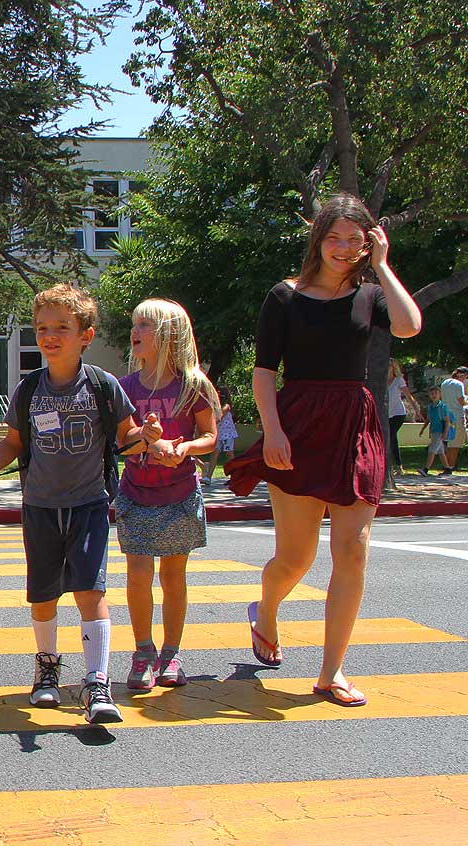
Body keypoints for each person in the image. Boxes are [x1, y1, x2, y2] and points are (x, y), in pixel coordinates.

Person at [227, 193, 421, 707]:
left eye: (355, 240)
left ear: (367, 244)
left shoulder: (371, 295)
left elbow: (409, 326)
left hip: (355, 425)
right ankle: (266, 608)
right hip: (298, 424)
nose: (343, 248)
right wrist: (271, 430)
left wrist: (382, 264)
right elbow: (265, 370)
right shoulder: (285, 296)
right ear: (318, 238)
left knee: (352, 551)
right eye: (334, 237)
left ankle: (331, 671)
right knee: (296, 558)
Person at [0, 284, 150, 723]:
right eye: (42, 327)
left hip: (89, 505)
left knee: (91, 590)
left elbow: (128, 440)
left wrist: (147, 437)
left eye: (62, 327)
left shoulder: (103, 385)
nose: (50, 336)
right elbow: (13, 443)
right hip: (39, 507)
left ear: (86, 335)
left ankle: (97, 683)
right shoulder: (29, 390)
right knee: (43, 596)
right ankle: (47, 670)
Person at [116, 299, 219, 691]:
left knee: (174, 576)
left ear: (169, 334)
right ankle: (143, 651)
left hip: (179, 496)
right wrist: (145, 439)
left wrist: (183, 449)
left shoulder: (194, 384)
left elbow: (209, 437)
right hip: (136, 493)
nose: (135, 331)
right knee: (139, 574)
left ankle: (171, 653)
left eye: (145, 325)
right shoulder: (124, 387)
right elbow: (121, 443)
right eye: (135, 324)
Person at [386, 359, 419, 474]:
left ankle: (397, 465)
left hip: (398, 413)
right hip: (387, 414)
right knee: (390, 438)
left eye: (389, 365)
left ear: (393, 367)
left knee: (390, 436)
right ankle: (394, 465)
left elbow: (408, 396)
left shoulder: (398, 380)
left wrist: (416, 410)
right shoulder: (381, 381)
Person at [201, 387, 236, 485]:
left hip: (227, 433)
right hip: (218, 433)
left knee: (229, 454)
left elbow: (218, 417)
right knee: (215, 452)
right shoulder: (214, 406)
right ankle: (208, 477)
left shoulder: (226, 406)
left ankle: (234, 476)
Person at [418, 385, 453, 476]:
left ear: (440, 394)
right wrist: (423, 429)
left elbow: (447, 421)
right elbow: (429, 419)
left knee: (432, 450)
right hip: (434, 431)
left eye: (436, 393)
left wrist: (445, 432)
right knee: (441, 451)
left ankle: (426, 469)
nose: (434, 395)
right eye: (432, 393)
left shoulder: (443, 407)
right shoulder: (430, 407)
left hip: (440, 431)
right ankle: (447, 468)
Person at [439, 366, 466, 472]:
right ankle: (451, 466)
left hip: (446, 415)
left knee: (448, 442)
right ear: (462, 375)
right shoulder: (459, 384)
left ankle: (446, 465)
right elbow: (461, 401)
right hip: (457, 415)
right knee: (455, 443)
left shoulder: (445, 383)